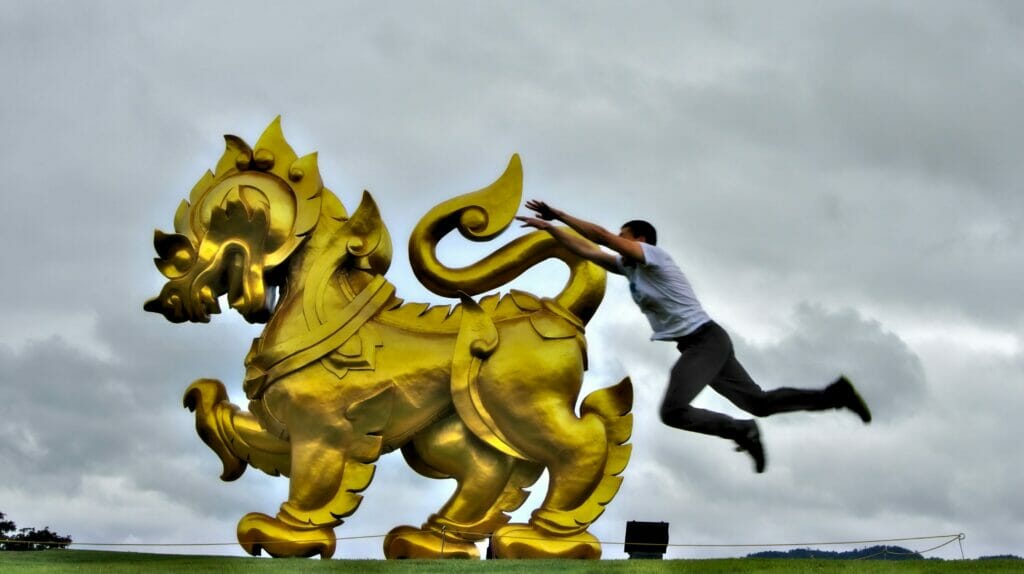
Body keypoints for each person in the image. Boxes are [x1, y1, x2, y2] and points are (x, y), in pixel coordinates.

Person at [516, 200, 871, 473]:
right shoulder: (630, 269)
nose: (617, 242)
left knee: (673, 411)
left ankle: (741, 431)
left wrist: (560, 214)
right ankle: (835, 395)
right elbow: (588, 249)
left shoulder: (653, 257)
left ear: (640, 240)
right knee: (759, 402)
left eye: (623, 236)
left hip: (706, 341)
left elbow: (599, 238)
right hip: (703, 344)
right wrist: (549, 228)